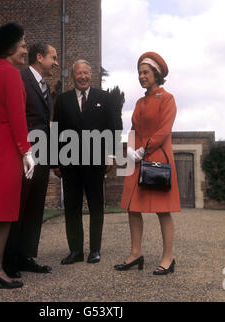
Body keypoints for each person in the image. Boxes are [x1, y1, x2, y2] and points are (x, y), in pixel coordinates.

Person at [0, 22, 35, 288]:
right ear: (11, 47)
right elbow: (17, 116)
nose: (25, 50)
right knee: (4, 211)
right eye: (23, 45)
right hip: (9, 144)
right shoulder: (11, 74)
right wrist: (26, 150)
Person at [115, 52, 180, 275]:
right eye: (140, 73)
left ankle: (168, 258)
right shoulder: (139, 101)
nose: (142, 76)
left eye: (146, 72)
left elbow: (164, 130)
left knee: (163, 210)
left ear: (156, 74)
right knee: (132, 208)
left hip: (157, 158)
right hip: (137, 159)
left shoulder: (168, 98)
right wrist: (130, 149)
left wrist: (145, 149)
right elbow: (133, 129)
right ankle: (135, 253)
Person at [53, 60, 122, 265]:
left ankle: (95, 250)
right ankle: (75, 251)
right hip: (69, 162)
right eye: (78, 73)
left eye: (85, 73)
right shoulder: (63, 100)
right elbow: (55, 131)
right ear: (72, 76)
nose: (82, 77)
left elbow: (114, 127)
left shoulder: (105, 98)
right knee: (72, 206)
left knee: (96, 206)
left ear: (90, 75)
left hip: (95, 161)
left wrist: (110, 156)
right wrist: (54, 162)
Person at [3, 43, 59, 277]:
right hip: (27, 154)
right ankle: (10, 259)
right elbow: (16, 116)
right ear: (39, 57)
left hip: (44, 154)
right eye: (53, 57)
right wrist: (24, 151)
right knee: (20, 204)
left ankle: (26, 255)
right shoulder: (20, 78)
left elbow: (46, 123)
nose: (56, 62)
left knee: (36, 206)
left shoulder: (45, 85)